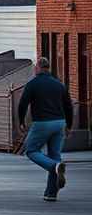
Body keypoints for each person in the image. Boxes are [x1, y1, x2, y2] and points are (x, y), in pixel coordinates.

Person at [18, 57, 73, 202]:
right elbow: (68, 106)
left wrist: (21, 121)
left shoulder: (32, 84)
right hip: (59, 123)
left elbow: (22, 104)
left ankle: (54, 166)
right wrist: (69, 126)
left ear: (37, 68)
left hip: (42, 123)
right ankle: (51, 193)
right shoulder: (59, 85)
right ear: (48, 68)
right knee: (55, 154)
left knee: (31, 151)